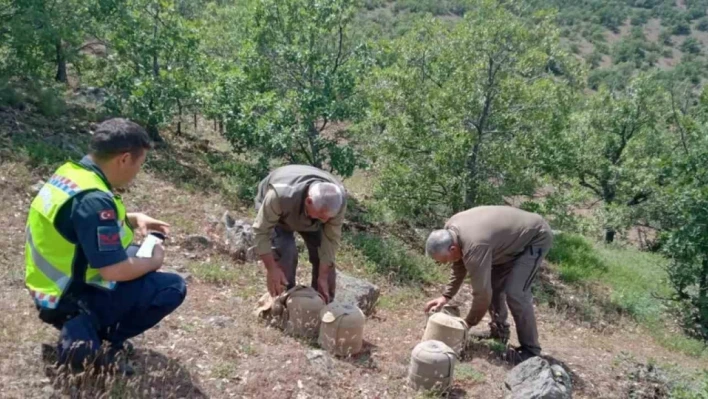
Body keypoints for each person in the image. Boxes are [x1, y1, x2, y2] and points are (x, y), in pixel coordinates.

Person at [24, 118, 187, 374]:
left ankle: (85, 330)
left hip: (49, 284)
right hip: (69, 295)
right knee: (172, 286)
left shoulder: (72, 175)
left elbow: (77, 223)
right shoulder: (94, 200)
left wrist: (135, 219)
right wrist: (154, 261)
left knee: (135, 257)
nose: (138, 172)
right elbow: (113, 270)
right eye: (140, 163)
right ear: (124, 159)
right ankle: (98, 338)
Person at [423, 206, 553, 365]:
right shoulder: (450, 231)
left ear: (452, 248)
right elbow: (459, 264)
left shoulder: (475, 245)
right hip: (505, 243)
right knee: (494, 285)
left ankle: (531, 350)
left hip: (535, 236)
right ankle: (499, 332)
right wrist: (446, 296)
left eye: (444, 260)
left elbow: (482, 294)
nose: (444, 264)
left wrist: (467, 323)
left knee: (516, 293)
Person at [253, 164, 347, 303]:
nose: (326, 220)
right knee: (286, 254)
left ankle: (322, 306)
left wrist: (322, 275)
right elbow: (262, 232)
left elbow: (331, 240)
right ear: (309, 201)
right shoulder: (279, 196)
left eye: (329, 217)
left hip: (311, 216)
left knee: (326, 268)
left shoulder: (337, 200)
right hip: (279, 216)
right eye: (322, 216)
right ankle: (282, 305)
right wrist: (272, 269)